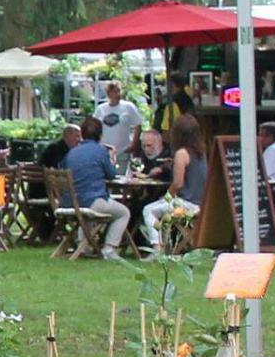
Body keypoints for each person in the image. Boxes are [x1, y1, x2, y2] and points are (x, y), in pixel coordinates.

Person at [62, 113, 132, 258]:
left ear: (82, 134)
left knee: (90, 209)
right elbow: (112, 175)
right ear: (100, 134)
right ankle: (109, 248)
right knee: (124, 212)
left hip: (70, 203)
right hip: (91, 202)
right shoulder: (100, 151)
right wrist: (112, 157)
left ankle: (83, 245)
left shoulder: (71, 153)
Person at [144, 114, 211, 247]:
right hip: (200, 203)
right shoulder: (201, 153)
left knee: (149, 210)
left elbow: (178, 184)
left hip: (186, 204)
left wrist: (166, 197)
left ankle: (157, 247)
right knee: (160, 209)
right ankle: (166, 245)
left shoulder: (181, 153)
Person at [94, 80, 145, 159]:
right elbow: (95, 128)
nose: (117, 94)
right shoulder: (100, 109)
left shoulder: (128, 107)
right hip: (104, 151)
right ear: (108, 93)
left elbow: (138, 125)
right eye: (114, 91)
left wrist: (134, 145)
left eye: (118, 91)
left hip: (123, 151)